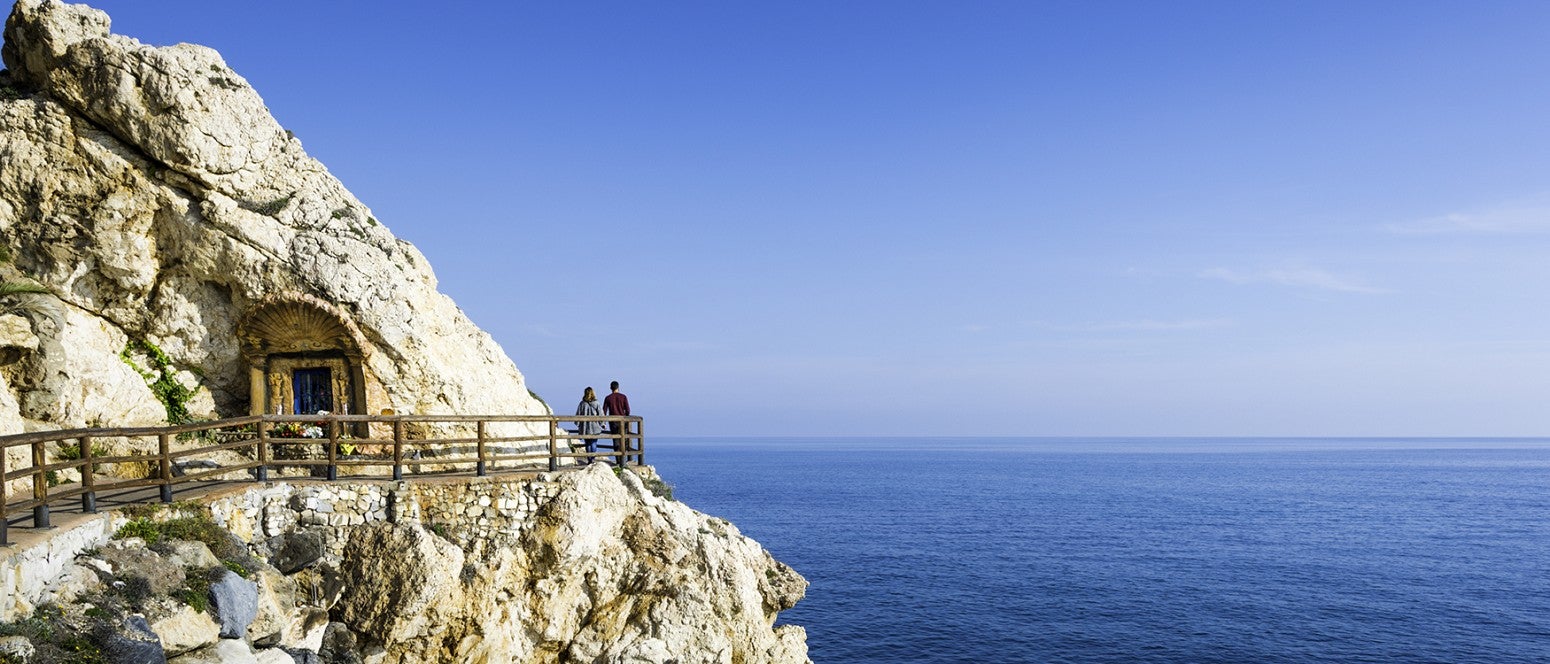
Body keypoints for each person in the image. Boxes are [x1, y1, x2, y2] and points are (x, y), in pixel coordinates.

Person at [603, 380, 630, 464]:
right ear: (618, 387)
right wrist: (625, 416)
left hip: (613, 421)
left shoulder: (608, 398)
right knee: (623, 439)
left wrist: (603, 422)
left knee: (615, 440)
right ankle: (623, 459)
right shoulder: (623, 397)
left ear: (611, 388)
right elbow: (628, 410)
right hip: (622, 420)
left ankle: (618, 460)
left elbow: (604, 411)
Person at [575, 387, 603, 464]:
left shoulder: (582, 403)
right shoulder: (596, 403)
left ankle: (589, 460)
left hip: (585, 427)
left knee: (587, 444)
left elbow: (578, 414)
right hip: (595, 427)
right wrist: (602, 424)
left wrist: (578, 424)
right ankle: (593, 459)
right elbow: (601, 414)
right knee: (593, 443)